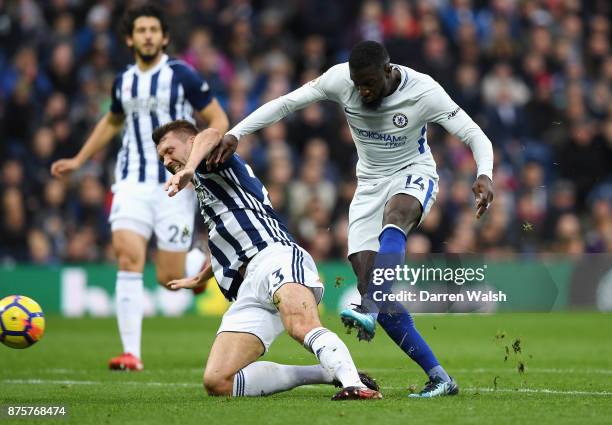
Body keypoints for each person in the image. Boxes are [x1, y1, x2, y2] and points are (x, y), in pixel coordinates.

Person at [218, 40, 495, 398]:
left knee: (397, 219)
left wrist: (484, 173)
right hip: (368, 186)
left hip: (413, 172)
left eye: (368, 83)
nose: (361, 91)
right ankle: (440, 376)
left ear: (387, 70)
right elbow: (288, 103)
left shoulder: (423, 90)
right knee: (370, 283)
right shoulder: (340, 81)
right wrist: (235, 132)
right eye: (356, 83)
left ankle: (369, 306)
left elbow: (473, 133)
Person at [50, 4, 232, 371]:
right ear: (130, 38)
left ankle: (201, 262)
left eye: (153, 29)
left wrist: (208, 152)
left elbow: (216, 116)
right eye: (141, 30)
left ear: (164, 37)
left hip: (174, 184)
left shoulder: (182, 75)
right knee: (127, 257)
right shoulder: (124, 80)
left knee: (169, 278)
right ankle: (131, 353)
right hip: (131, 181)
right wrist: (80, 159)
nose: (147, 35)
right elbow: (112, 120)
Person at [152, 119, 382, 400]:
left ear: (190, 142)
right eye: (161, 156)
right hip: (247, 287)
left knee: (301, 326)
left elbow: (212, 133)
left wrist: (188, 167)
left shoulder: (214, 159)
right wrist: (201, 277)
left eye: (169, 149)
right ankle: (325, 372)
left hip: (276, 258)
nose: (166, 160)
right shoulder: (206, 185)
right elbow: (230, 238)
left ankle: (354, 385)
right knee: (218, 381)